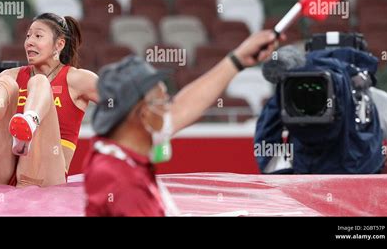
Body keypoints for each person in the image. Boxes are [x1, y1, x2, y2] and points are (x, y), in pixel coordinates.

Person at [84, 30, 279, 216]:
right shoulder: (121, 180)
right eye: (162, 102)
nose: (169, 110)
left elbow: (183, 107)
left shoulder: (114, 152)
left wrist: (236, 60)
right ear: (143, 114)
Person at [0, 13, 98, 187]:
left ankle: (29, 124)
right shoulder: (10, 76)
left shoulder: (77, 79)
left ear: (59, 44)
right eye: (28, 36)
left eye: (38, 36)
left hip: (43, 174)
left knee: (40, 82)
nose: (29, 42)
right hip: (1, 174)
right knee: (5, 82)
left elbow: (124, 103)